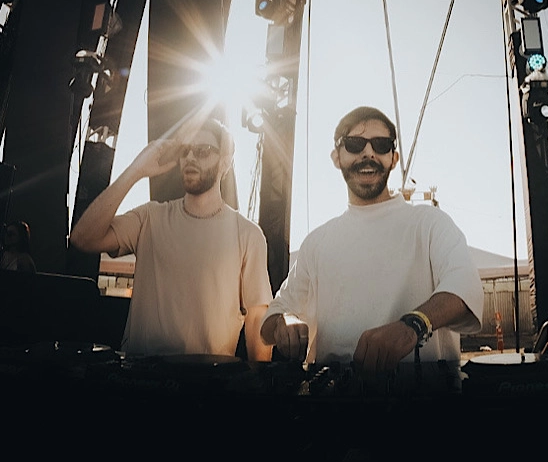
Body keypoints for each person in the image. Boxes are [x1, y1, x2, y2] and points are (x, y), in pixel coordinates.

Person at [260, 106, 483, 373]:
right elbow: (270, 320)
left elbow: (464, 286)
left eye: (380, 145)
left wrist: (413, 325)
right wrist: (285, 321)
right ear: (336, 157)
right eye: (354, 144)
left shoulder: (430, 223)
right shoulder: (317, 242)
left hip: (422, 399)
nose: (368, 153)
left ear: (393, 158)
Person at [70, 117, 272, 360]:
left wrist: (257, 386)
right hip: (140, 379)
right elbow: (83, 238)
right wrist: (136, 170)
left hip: (206, 385)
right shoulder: (150, 217)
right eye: (185, 150)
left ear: (225, 163)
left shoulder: (248, 234)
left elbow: (257, 318)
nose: (190, 158)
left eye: (203, 151)